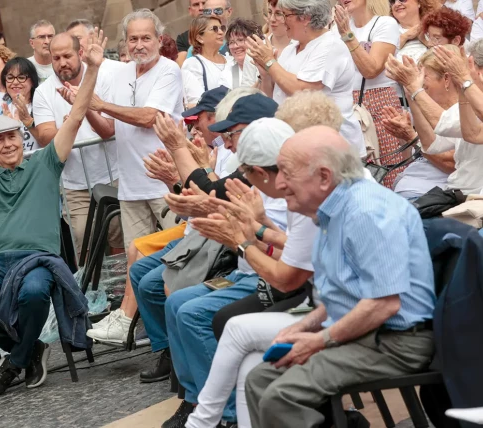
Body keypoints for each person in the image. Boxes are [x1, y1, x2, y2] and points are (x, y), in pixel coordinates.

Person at [0, 27, 104, 400]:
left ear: (21, 138)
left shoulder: (46, 162)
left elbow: (77, 114)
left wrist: (92, 69)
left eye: (12, 136)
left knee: (34, 293)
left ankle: (15, 361)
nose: (8, 143)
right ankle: (29, 350)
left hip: (38, 259)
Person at [244, 126, 435, 428]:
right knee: (259, 381)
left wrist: (318, 340)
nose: (278, 183)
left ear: (324, 177)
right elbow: (348, 293)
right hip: (370, 333)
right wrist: (303, 326)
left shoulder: (365, 212)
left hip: (395, 342)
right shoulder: (332, 209)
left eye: (285, 172)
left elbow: (383, 304)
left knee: (282, 396)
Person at [185, 118, 318, 428]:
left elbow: (289, 276)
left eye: (247, 175)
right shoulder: (310, 187)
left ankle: (201, 422)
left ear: (260, 172)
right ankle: (205, 420)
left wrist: (243, 242)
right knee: (249, 366)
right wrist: (257, 228)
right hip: (326, 303)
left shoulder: (305, 196)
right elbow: (298, 250)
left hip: (336, 312)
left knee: (234, 327)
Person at [87, 86, 229, 344]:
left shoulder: (225, 153)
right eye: (193, 120)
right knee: (139, 263)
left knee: (157, 282)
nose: (194, 126)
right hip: (196, 231)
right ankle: (160, 343)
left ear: (219, 119)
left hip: (213, 239)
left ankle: (158, 339)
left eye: (201, 119)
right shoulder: (206, 148)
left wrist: (185, 166)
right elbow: (186, 209)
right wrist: (171, 180)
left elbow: (211, 203)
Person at [68, 9, 183, 250]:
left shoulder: (169, 70)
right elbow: (108, 130)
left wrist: (102, 105)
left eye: (145, 38)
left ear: (159, 41)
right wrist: (88, 106)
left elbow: (150, 117)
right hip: (130, 187)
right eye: (133, 39)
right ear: (126, 42)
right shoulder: (120, 74)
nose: (139, 45)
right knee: (136, 258)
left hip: (165, 183)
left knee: (179, 256)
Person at [33, 32, 121, 256]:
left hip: (112, 175)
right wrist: (69, 126)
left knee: (118, 236)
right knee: (84, 243)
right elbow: (44, 136)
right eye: (56, 58)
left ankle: (121, 289)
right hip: (74, 185)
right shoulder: (43, 92)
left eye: (67, 56)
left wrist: (81, 106)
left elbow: (108, 130)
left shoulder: (103, 78)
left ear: (80, 53)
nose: (62, 63)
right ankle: (94, 291)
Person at [245, 0, 365, 158]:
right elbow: (274, 96)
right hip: (298, 143)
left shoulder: (330, 46)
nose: (282, 20)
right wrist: (266, 74)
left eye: (285, 15)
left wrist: (269, 62)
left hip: (334, 148)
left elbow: (301, 91)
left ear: (305, 17)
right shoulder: (290, 49)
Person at [386, 45, 483, 194]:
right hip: (457, 193)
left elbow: (445, 125)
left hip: (468, 198)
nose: (467, 72)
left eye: (470, 67)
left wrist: (415, 89)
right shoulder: (466, 102)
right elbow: (432, 144)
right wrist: (411, 93)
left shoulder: (473, 102)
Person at [333, 0, 404, 188]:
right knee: (355, 174)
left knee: (388, 172)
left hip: (379, 101)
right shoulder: (334, 28)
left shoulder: (385, 23)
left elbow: (371, 69)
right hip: (346, 105)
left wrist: (347, 35)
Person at [182, 16, 234, 106]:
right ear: (199, 38)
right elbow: (197, 102)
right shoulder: (193, 64)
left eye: (222, 28)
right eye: (214, 29)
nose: (221, 32)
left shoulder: (231, 60)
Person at [0, 57, 41, 153]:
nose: (15, 82)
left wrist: (29, 122)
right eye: (10, 78)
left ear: (32, 81)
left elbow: (49, 141)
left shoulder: (41, 107)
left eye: (21, 78)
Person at [27, 20, 56, 84]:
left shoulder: (63, 64)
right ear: (32, 43)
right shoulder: (25, 67)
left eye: (50, 36)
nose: (47, 41)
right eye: (42, 37)